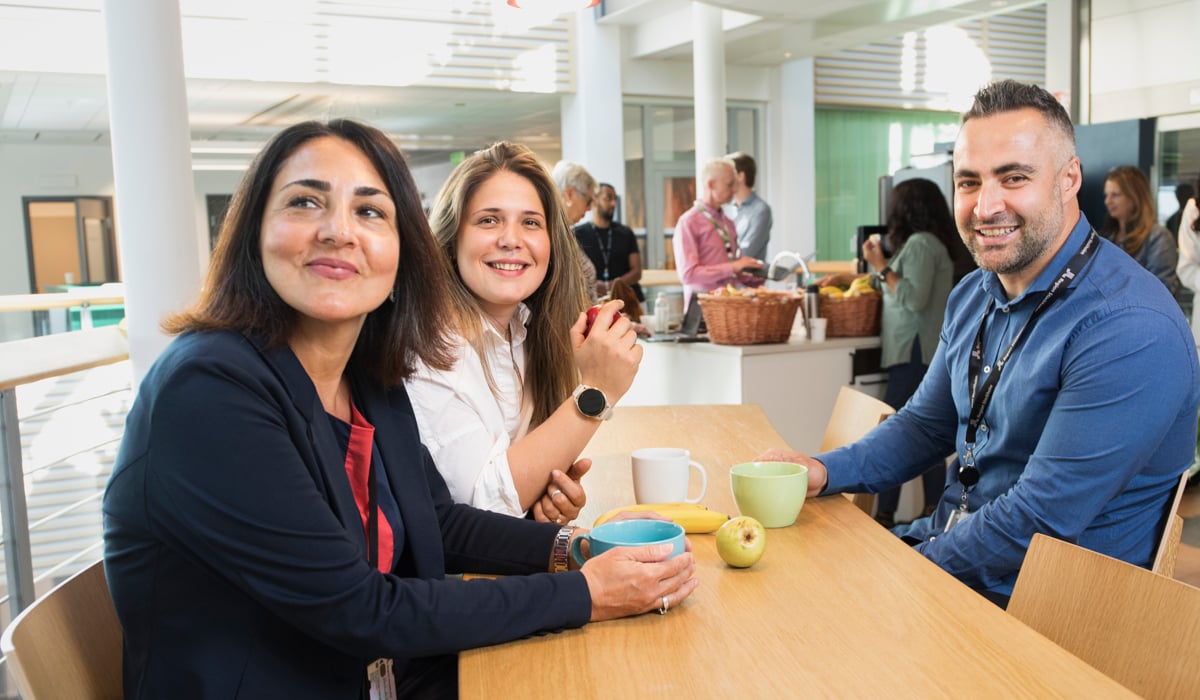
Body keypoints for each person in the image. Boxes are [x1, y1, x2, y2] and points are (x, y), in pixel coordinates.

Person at [101, 120, 697, 698]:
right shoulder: (208, 390)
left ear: (401, 252)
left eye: (369, 211)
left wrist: (577, 549)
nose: (338, 231)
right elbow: (361, 608)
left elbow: (439, 520)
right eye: (305, 203)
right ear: (253, 232)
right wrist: (587, 595)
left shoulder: (365, 373)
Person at [756, 80, 1200, 606]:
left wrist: (894, 569)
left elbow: (1037, 521)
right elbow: (926, 425)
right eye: (969, 182)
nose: (986, 206)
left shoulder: (1129, 327)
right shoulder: (975, 292)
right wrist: (826, 470)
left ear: (1068, 179)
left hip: (1039, 613)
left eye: (1014, 177)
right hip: (955, 565)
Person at [408, 143, 643, 526]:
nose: (511, 239)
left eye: (531, 222)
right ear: (452, 241)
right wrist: (596, 392)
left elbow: (513, 496)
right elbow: (478, 515)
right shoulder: (430, 348)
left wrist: (545, 500)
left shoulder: (525, 331)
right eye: (488, 220)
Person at [820, 177, 960, 529]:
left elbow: (913, 298)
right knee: (913, 434)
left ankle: (895, 513)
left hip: (915, 348)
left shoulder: (921, 244)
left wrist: (880, 263)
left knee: (903, 432)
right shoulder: (924, 244)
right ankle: (910, 510)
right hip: (911, 348)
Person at [672, 158, 763, 306]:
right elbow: (689, 275)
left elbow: (731, 274)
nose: (734, 190)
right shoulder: (688, 222)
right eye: (729, 184)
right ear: (711, 184)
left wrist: (758, 274)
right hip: (703, 310)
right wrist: (733, 267)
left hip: (728, 307)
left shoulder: (728, 222)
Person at [1099, 164, 1180, 296]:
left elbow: (1162, 291)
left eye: (1115, 195)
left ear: (1134, 197)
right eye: (1106, 195)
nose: (1108, 201)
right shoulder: (1106, 237)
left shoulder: (1158, 238)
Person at [575, 182, 644, 301]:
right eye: (608, 198)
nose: (613, 204)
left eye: (615, 199)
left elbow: (637, 272)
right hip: (594, 302)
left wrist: (610, 285)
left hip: (629, 300)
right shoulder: (577, 234)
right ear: (594, 200)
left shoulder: (626, 233)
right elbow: (572, 273)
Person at [551, 159, 601, 301]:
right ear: (569, 194)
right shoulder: (551, 235)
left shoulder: (563, 233)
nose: (590, 208)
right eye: (588, 201)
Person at [725, 152, 772, 262]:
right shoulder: (727, 209)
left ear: (740, 176)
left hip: (748, 278)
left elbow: (746, 252)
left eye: (728, 175)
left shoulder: (760, 210)